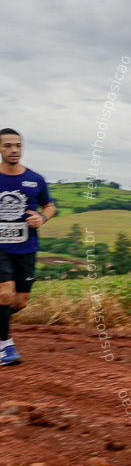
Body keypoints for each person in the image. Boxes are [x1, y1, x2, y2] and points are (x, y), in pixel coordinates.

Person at [0, 128, 56, 365]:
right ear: (0, 149)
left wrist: (42, 219)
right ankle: (5, 348)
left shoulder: (35, 179)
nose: (14, 150)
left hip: (26, 247)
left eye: (18, 145)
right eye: (8, 145)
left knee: (20, 301)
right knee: (5, 293)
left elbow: (50, 206)